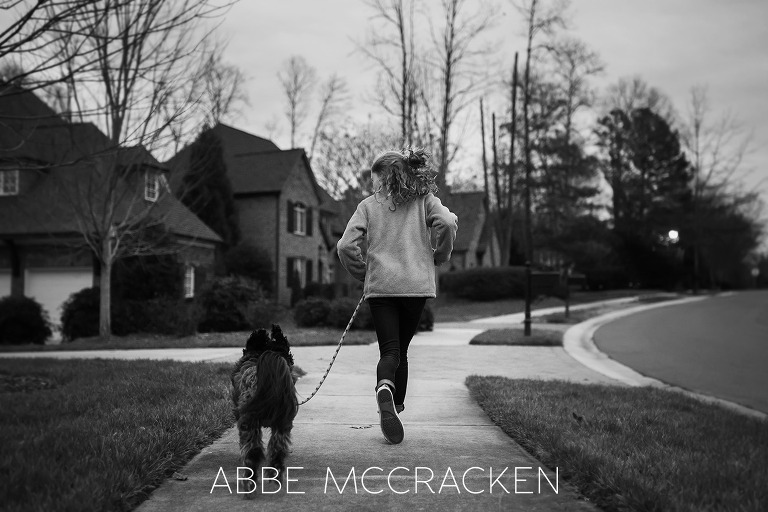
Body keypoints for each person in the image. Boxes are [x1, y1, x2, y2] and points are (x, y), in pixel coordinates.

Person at [336, 147, 458, 444]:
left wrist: (362, 273)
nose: (373, 187)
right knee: (401, 351)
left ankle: (384, 389)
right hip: (415, 287)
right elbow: (447, 222)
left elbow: (344, 246)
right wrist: (439, 255)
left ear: (385, 178)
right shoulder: (424, 201)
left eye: (375, 181)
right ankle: (395, 405)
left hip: (381, 289)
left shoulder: (368, 206)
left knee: (389, 351)